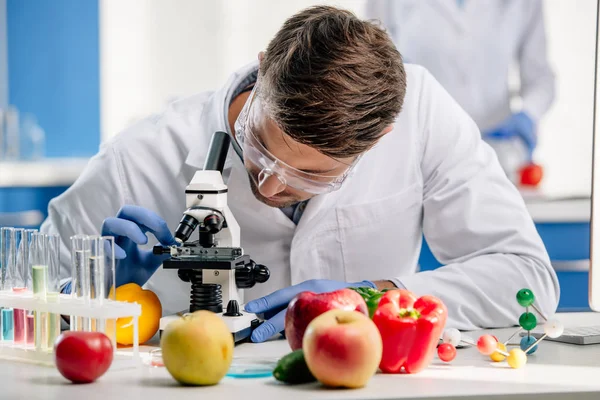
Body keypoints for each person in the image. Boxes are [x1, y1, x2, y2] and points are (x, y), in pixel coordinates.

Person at [40, 6, 559, 343]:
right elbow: (21, 296)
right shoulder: (139, 157)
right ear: (264, 68)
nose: (267, 187)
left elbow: (527, 280)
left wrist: (377, 295)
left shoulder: (421, 115)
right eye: (261, 149)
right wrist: (82, 289)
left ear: (379, 140)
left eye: (308, 178)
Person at [364, 0, 556, 173]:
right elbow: (372, 66)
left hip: (495, 147)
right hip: (419, 148)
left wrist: (528, 114)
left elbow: (540, 77)